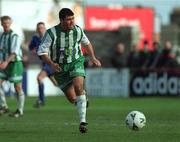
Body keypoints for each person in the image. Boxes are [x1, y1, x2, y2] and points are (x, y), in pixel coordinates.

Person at [37, 8, 101, 133]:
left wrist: (93, 57)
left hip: (76, 62)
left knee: (78, 87)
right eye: (68, 20)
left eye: (73, 19)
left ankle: (83, 121)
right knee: (72, 99)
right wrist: (51, 64)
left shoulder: (77, 30)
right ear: (61, 20)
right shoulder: (51, 33)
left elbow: (86, 43)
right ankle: (83, 100)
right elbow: (42, 52)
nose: (72, 22)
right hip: (60, 68)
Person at [0, 16, 25, 117]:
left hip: (15, 64)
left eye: (8, 23)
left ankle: (20, 110)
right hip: (5, 63)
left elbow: (14, 52)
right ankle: (4, 106)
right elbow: (1, 50)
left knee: (17, 87)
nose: (6, 24)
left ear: (10, 23)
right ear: (1, 24)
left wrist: (5, 62)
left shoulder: (15, 36)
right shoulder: (2, 35)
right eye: (4, 23)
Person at [29, 22, 57, 108]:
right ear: (37, 29)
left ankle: (41, 100)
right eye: (39, 28)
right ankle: (78, 93)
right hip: (44, 63)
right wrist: (34, 50)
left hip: (51, 62)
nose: (41, 29)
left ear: (45, 29)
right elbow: (30, 47)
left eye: (42, 28)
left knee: (39, 78)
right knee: (57, 83)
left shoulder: (49, 37)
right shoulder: (35, 38)